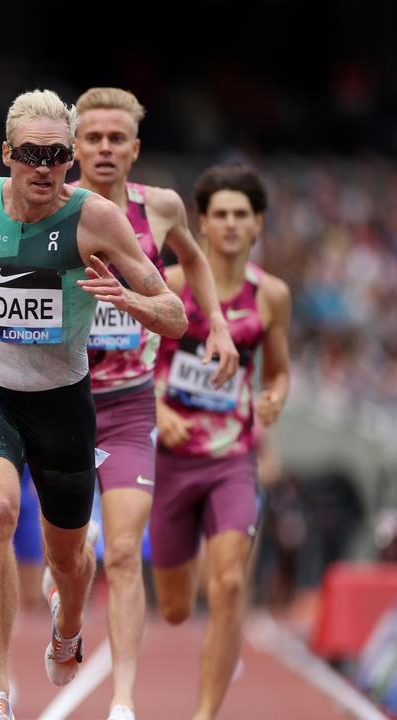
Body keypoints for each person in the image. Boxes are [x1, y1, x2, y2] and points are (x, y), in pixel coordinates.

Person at [0, 89, 186, 720]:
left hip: (63, 405)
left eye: (55, 156)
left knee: (68, 559)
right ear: (6, 154)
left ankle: (67, 626)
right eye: (29, 154)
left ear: (70, 159)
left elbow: (176, 316)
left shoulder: (96, 219)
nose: (42, 168)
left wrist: (130, 302)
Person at [72, 87, 239, 720]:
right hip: (58, 401)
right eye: (94, 138)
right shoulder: (52, 208)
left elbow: (195, 263)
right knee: (69, 560)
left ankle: (121, 700)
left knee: (121, 552)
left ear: (135, 148)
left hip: (128, 401)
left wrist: (215, 325)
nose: (106, 149)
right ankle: (65, 597)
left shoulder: (161, 208)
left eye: (117, 139)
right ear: (74, 146)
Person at [151, 165, 290, 720]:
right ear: (201, 224)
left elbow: (278, 371)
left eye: (241, 215)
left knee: (229, 582)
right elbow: (138, 360)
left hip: (233, 455)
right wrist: (159, 410)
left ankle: (205, 713)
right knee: (178, 607)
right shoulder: (172, 284)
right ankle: (213, 634)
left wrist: (276, 396)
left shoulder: (271, 294)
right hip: (169, 458)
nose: (231, 225)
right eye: (220, 215)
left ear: (257, 225)